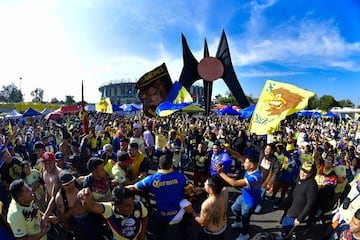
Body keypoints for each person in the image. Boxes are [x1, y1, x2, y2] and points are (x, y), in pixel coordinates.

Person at [131, 153, 193, 240]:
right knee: (183, 233)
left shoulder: (151, 179)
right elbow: (189, 191)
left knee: (160, 234)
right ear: (171, 165)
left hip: (162, 214)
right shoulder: (181, 177)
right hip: (179, 213)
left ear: (159, 165)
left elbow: (135, 187)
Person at [216, 153, 262, 240]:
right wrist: (228, 148)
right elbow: (239, 157)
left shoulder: (255, 177)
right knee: (234, 208)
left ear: (251, 165)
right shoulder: (253, 167)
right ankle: (238, 221)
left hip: (250, 201)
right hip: (244, 195)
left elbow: (235, 183)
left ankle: (245, 234)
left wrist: (221, 173)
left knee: (245, 219)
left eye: (246, 163)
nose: (243, 163)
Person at [78, 184, 149, 240]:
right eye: (127, 206)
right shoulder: (109, 209)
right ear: (116, 205)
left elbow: (145, 216)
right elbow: (91, 206)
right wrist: (86, 198)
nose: (132, 207)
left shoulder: (138, 205)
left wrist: (142, 233)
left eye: (132, 203)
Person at [55, 171, 103, 240]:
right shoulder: (60, 198)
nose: (70, 186)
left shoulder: (78, 182)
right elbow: (62, 217)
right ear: (61, 185)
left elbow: (91, 175)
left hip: (91, 213)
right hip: (79, 222)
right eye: (67, 185)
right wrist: (74, 208)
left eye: (71, 182)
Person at [281, 162, 318, 238]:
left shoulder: (311, 184)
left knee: (287, 233)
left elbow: (310, 203)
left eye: (306, 172)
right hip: (288, 210)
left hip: (295, 214)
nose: (303, 173)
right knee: (285, 230)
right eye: (302, 170)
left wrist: (300, 218)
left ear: (311, 174)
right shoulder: (298, 177)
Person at [185, 175, 228, 240]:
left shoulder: (208, 204)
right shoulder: (225, 191)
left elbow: (203, 223)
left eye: (206, 184)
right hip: (223, 228)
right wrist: (203, 189)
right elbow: (217, 188)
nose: (204, 183)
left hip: (211, 234)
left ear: (210, 189)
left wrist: (191, 211)